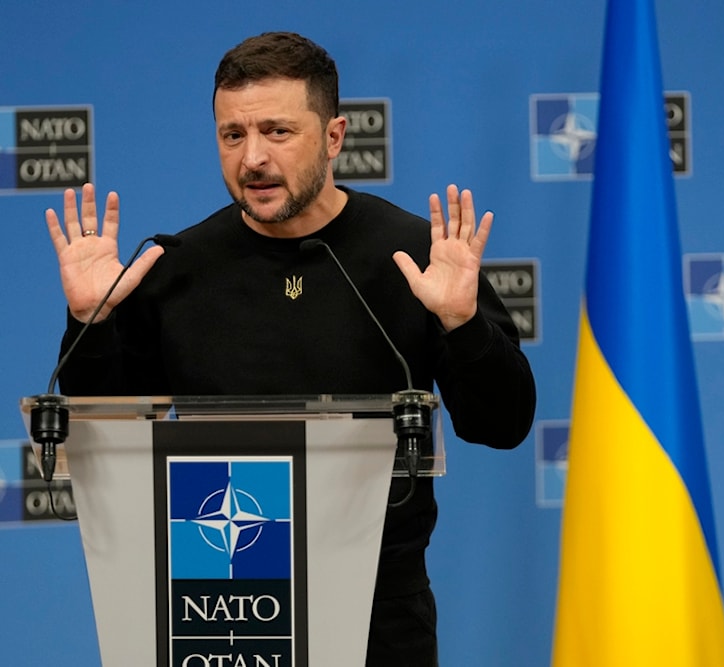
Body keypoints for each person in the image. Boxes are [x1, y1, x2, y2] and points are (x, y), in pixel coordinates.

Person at [44, 31, 536, 666]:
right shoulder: (175, 265)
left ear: (333, 137)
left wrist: (464, 326)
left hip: (379, 610)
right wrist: (91, 321)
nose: (252, 158)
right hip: (220, 600)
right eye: (232, 135)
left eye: (277, 131)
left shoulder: (419, 258)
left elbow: (503, 425)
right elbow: (101, 433)